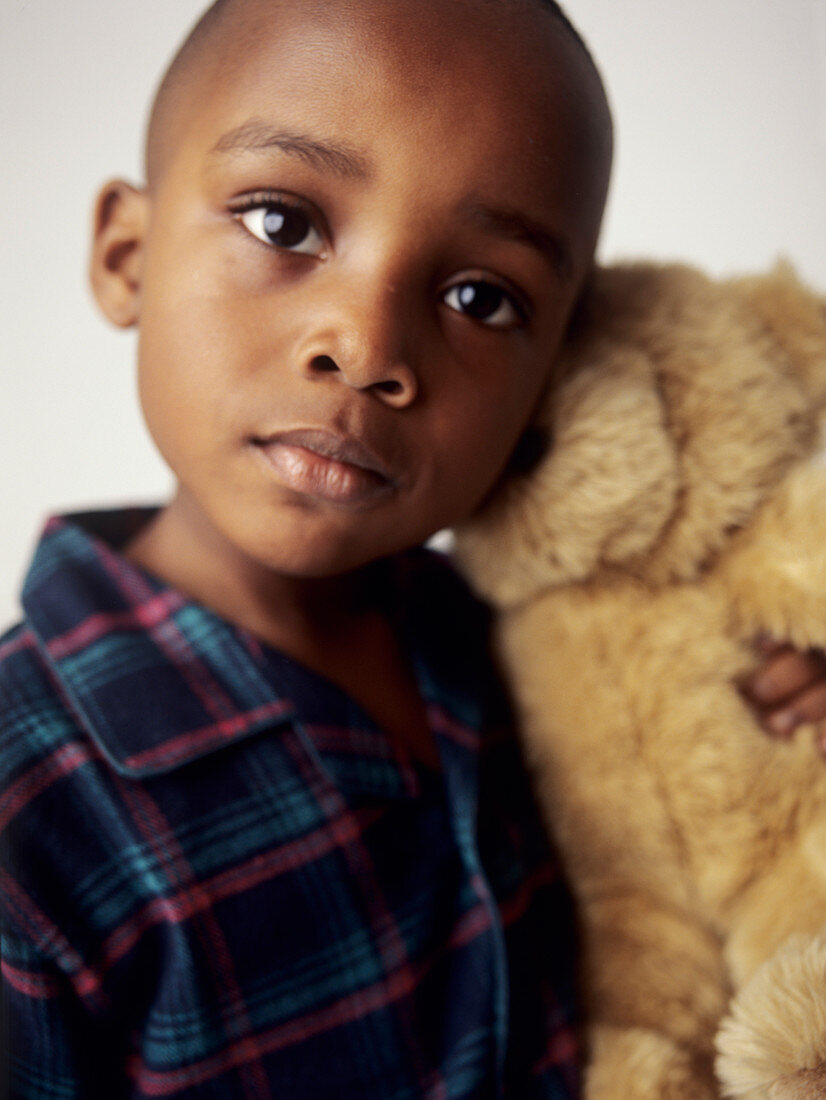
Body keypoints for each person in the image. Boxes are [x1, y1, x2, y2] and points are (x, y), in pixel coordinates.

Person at [2, 0, 825, 1096]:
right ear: (126, 255)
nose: (369, 345)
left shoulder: (543, 646)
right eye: (283, 224)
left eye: (480, 296)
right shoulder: (28, 818)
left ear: (552, 370)